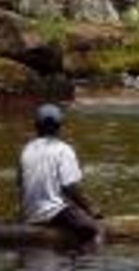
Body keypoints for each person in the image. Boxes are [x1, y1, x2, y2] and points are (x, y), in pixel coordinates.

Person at [18, 103, 103, 245]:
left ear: (36, 126)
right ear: (59, 127)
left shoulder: (26, 150)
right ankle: (89, 264)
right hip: (53, 213)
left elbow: (21, 186)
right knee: (97, 229)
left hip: (30, 214)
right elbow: (70, 187)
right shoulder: (63, 150)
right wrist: (92, 209)